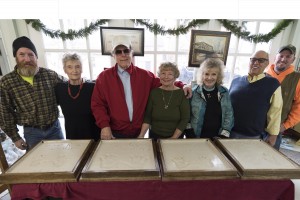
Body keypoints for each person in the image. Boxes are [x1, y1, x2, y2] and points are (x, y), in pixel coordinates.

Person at [91, 35, 191, 140]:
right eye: (118, 52)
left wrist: (183, 85)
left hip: (138, 132)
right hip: (115, 132)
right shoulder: (104, 77)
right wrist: (104, 126)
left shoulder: (145, 76)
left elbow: (164, 81)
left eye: (126, 50)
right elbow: (98, 104)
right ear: (113, 55)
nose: (123, 55)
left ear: (132, 52)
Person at [0, 36, 64, 150]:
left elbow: (69, 87)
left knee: (61, 160)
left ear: (36, 57)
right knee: (37, 165)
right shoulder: (6, 82)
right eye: (22, 54)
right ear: (16, 57)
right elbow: (5, 112)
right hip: (32, 132)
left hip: (55, 129)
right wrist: (15, 138)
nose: (27, 59)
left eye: (31, 54)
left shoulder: (50, 75)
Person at [229, 50, 283, 146]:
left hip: (253, 136)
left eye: (261, 60)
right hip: (229, 133)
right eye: (253, 59)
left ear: (267, 63)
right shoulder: (235, 81)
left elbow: (275, 111)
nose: (256, 63)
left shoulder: (273, 84)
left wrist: (273, 135)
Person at [138, 62, 190, 139]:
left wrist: (173, 138)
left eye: (170, 74)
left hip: (176, 137)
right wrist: (141, 135)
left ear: (175, 77)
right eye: (163, 73)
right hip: (154, 135)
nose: (166, 77)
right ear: (159, 76)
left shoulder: (182, 93)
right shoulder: (154, 92)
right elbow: (147, 117)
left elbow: (185, 119)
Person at [55, 53, 100, 141]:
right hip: (72, 133)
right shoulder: (59, 88)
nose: (74, 70)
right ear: (65, 70)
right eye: (70, 67)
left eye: (77, 66)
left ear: (82, 68)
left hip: (92, 132)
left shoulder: (92, 87)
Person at [265, 44, 300, 149]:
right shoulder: (263, 74)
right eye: (281, 55)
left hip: (276, 130)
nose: (283, 59)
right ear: (276, 57)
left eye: (288, 56)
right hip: (255, 126)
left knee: (270, 159)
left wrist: (284, 126)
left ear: (293, 59)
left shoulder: (297, 80)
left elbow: (298, 107)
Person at [189, 58, 234, 139]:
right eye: (206, 74)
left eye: (213, 74)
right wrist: (189, 132)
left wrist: (224, 134)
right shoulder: (194, 91)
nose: (209, 78)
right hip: (196, 135)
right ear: (202, 75)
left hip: (217, 136)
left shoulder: (224, 92)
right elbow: (187, 114)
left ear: (218, 76)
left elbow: (229, 113)